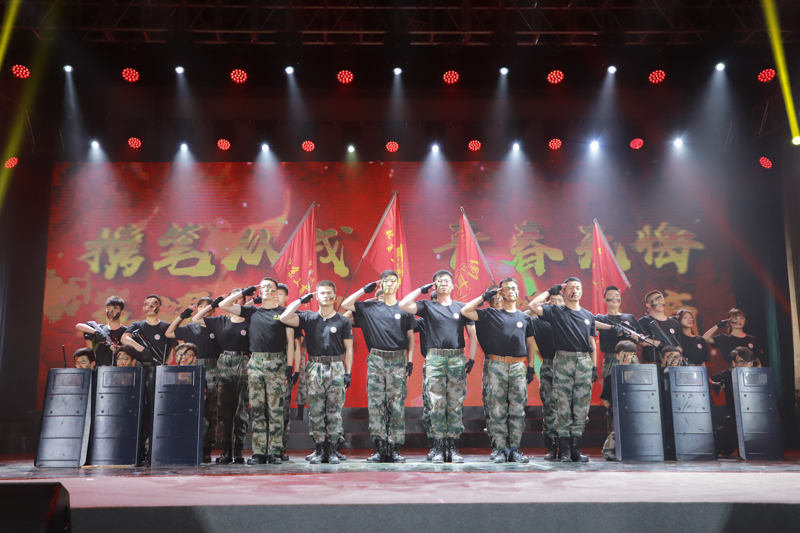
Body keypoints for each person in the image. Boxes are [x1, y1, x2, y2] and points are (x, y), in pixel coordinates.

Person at [399, 270, 478, 463]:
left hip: (457, 358)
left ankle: (453, 448)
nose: (444, 283)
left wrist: (471, 358)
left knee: (455, 404)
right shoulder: (428, 306)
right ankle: (440, 447)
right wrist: (421, 289)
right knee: (436, 404)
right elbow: (403, 305)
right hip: (435, 358)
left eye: (447, 280)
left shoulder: (461, 307)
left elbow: (472, 334)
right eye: (439, 281)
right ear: (434, 285)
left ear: (453, 285)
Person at [218, 279, 298, 465]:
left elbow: (290, 342)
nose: (266, 290)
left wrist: (289, 367)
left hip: (277, 362)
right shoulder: (252, 311)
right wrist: (244, 292)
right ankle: (259, 452)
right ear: (259, 291)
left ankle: (275, 451)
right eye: (263, 287)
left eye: (271, 287)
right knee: (257, 409)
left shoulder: (283, 312)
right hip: (255, 363)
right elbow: (224, 305)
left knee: (275, 409)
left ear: (276, 292)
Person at [342, 270, 415, 463]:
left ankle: (394, 448)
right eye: (385, 281)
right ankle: (380, 447)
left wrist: (409, 361)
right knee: (376, 405)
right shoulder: (370, 307)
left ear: (398, 284)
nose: (389, 284)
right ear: (380, 284)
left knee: (396, 405)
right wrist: (364, 290)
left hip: (398, 359)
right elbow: (345, 305)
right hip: (376, 359)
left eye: (392, 281)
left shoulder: (404, 309)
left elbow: (410, 338)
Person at [462, 278, 535, 463]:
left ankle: (515, 448)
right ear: (500, 293)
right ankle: (500, 448)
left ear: (518, 292)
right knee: (497, 409)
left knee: (517, 409)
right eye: (506, 288)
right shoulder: (491, 314)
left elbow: (530, 343)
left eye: (513, 288)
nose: (511, 291)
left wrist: (531, 367)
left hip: (518, 366)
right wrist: (483, 297)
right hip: (497, 365)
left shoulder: (524, 317)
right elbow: (466, 311)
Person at [281, 281, 354, 465]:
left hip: (336, 366)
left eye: (329, 293)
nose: (326, 296)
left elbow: (349, 349)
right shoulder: (308, 317)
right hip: (314, 366)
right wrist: (300, 300)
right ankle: (319, 449)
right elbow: (284, 317)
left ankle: (333, 449)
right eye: (322, 293)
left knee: (334, 410)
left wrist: (348, 373)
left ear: (335, 296)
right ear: (316, 296)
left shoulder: (343, 321)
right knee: (316, 410)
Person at [528, 277, 597, 462]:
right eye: (570, 287)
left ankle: (575, 449)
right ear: (564, 292)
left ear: (582, 291)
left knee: (581, 406)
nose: (575, 290)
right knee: (562, 405)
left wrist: (594, 366)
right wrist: (552, 289)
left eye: (578, 287)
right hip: (563, 360)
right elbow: (533, 305)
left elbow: (592, 343)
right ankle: (564, 449)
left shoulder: (588, 315)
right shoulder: (557, 311)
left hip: (583, 361)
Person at [193, 290, 251, 465]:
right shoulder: (220, 321)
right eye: (233, 298)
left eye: (239, 298)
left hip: (244, 362)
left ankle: (238, 451)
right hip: (224, 363)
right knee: (224, 411)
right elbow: (196, 319)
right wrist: (213, 304)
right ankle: (226, 451)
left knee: (241, 411)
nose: (236, 301)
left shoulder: (249, 321)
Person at [166, 296, 221, 463]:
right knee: (189, 408)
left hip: (212, 368)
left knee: (211, 411)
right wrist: (182, 316)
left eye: (208, 306)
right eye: (201, 306)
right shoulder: (190, 327)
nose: (204, 308)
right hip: (191, 369)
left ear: (212, 310)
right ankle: (187, 445)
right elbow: (169, 332)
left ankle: (206, 448)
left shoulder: (216, 326)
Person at [275, 283, 305, 461]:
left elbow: (297, 346)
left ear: (286, 297)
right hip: (265, 366)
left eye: (280, 294)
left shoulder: (291, 316)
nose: (276, 296)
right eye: (274, 293)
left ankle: (281, 447)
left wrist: (295, 369)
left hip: (285, 367)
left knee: (283, 409)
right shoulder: (262, 313)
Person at [710, 346, 757, 457]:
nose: (744, 365)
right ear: (734, 363)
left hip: (753, 416)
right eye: (740, 362)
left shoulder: (758, 376)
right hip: (733, 414)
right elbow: (708, 379)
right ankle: (727, 448)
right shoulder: (728, 375)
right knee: (725, 430)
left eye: (747, 362)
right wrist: (715, 384)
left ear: (751, 363)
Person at [533, 292, 563, 461]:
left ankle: (567, 447)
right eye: (553, 301)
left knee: (567, 407)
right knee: (550, 407)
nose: (557, 303)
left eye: (560, 300)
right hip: (548, 365)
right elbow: (524, 314)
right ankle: (551, 447)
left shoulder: (570, 319)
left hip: (567, 364)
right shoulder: (538, 321)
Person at [474, 284, 502, 459]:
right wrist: (483, 297)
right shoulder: (484, 315)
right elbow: (466, 310)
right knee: (493, 405)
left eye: (501, 295)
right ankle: (496, 444)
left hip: (513, 364)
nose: (498, 299)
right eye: (494, 296)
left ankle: (511, 445)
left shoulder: (514, 314)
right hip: (492, 361)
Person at [599, 340, 639, 461]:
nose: (628, 357)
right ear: (617, 356)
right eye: (624, 354)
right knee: (610, 454)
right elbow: (604, 399)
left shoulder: (641, 376)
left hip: (637, 414)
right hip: (618, 414)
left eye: (631, 354)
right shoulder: (610, 377)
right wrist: (612, 409)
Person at [594, 286, 644, 377]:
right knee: (611, 384)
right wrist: (612, 328)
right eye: (610, 295)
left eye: (617, 295)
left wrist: (636, 336)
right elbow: (591, 323)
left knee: (634, 384)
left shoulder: (630, 317)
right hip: (611, 358)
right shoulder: (601, 318)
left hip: (631, 357)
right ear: (604, 300)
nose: (614, 297)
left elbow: (641, 336)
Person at [121, 295, 176, 367]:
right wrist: (143, 350)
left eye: (153, 304)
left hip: (159, 366)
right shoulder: (136, 325)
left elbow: (172, 350)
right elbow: (124, 338)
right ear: (144, 308)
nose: (150, 307)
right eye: (147, 304)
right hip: (139, 366)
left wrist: (165, 366)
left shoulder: (168, 327)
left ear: (160, 308)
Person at [75, 295, 127, 367]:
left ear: (122, 312)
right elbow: (79, 326)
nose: (111, 312)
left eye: (115, 309)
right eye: (109, 309)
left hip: (118, 370)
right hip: (98, 369)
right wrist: (96, 332)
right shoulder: (100, 329)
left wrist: (119, 349)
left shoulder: (127, 332)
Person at [416, 292, 437, 460]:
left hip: (451, 363)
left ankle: (448, 445)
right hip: (431, 364)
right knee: (430, 405)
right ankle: (433, 444)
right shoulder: (422, 321)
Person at [638, 291, 681, 364]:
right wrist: (660, 344)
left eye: (662, 300)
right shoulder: (644, 321)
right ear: (648, 305)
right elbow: (641, 340)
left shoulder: (674, 323)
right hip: (652, 364)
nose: (660, 302)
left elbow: (679, 345)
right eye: (656, 300)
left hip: (672, 363)